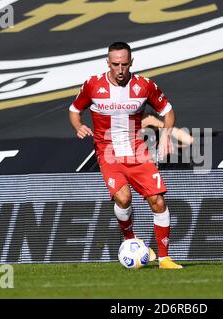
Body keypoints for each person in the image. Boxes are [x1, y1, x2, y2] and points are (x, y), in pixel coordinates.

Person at [69, 41, 182, 269]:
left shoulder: (144, 86)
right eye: (115, 64)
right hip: (108, 151)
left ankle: (164, 258)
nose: (120, 70)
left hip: (136, 150)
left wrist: (167, 134)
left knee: (158, 201)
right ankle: (130, 239)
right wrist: (78, 126)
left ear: (131, 62)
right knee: (123, 198)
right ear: (107, 63)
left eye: (124, 64)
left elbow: (168, 111)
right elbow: (74, 110)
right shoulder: (93, 85)